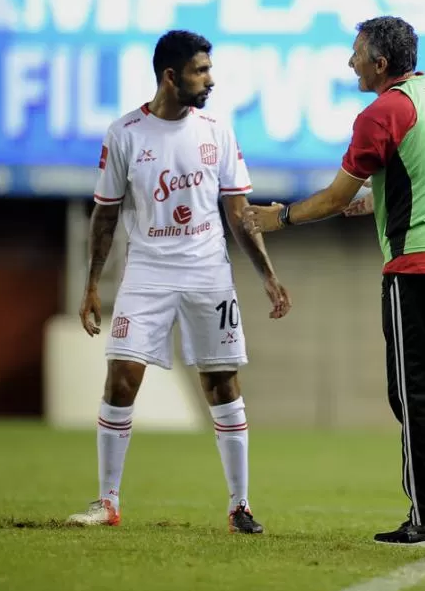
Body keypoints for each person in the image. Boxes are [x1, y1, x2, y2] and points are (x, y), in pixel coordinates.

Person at [242, 16, 425, 552]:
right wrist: (379, 200)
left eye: (356, 53)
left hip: (419, 267)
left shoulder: (382, 112)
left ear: (380, 63)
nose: (349, 62)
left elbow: (330, 197)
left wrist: (278, 219)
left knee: (416, 396)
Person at [67, 30, 292, 533]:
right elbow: (104, 217)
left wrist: (268, 275)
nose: (210, 80)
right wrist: (90, 285)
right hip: (146, 272)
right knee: (122, 377)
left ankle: (240, 506)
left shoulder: (217, 131)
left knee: (221, 382)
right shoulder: (124, 133)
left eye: (209, 69)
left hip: (208, 272)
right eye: (200, 71)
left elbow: (238, 214)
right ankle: (107, 502)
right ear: (171, 76)